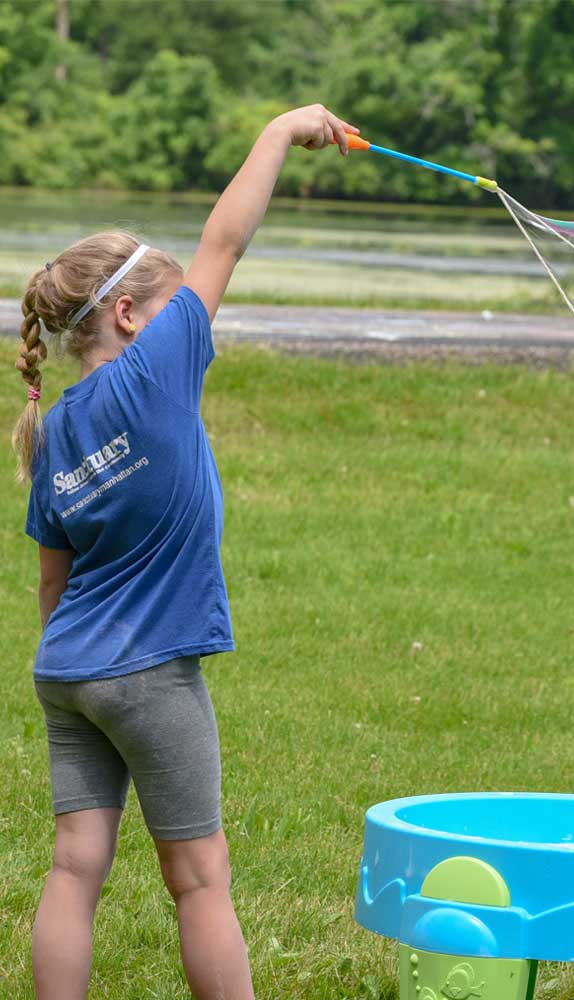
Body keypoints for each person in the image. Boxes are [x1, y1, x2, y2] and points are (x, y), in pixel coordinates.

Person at [14, 104, 355, 1000]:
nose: (196, 320)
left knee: (74, 867)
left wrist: (86, 665)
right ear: (129, 315)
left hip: (67, 671)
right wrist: (280, 132)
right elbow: (227, 239)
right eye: (172, 309)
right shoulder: (154, 367)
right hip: (151, 673)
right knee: (200, 878)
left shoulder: (52, 432)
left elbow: (52, 581)